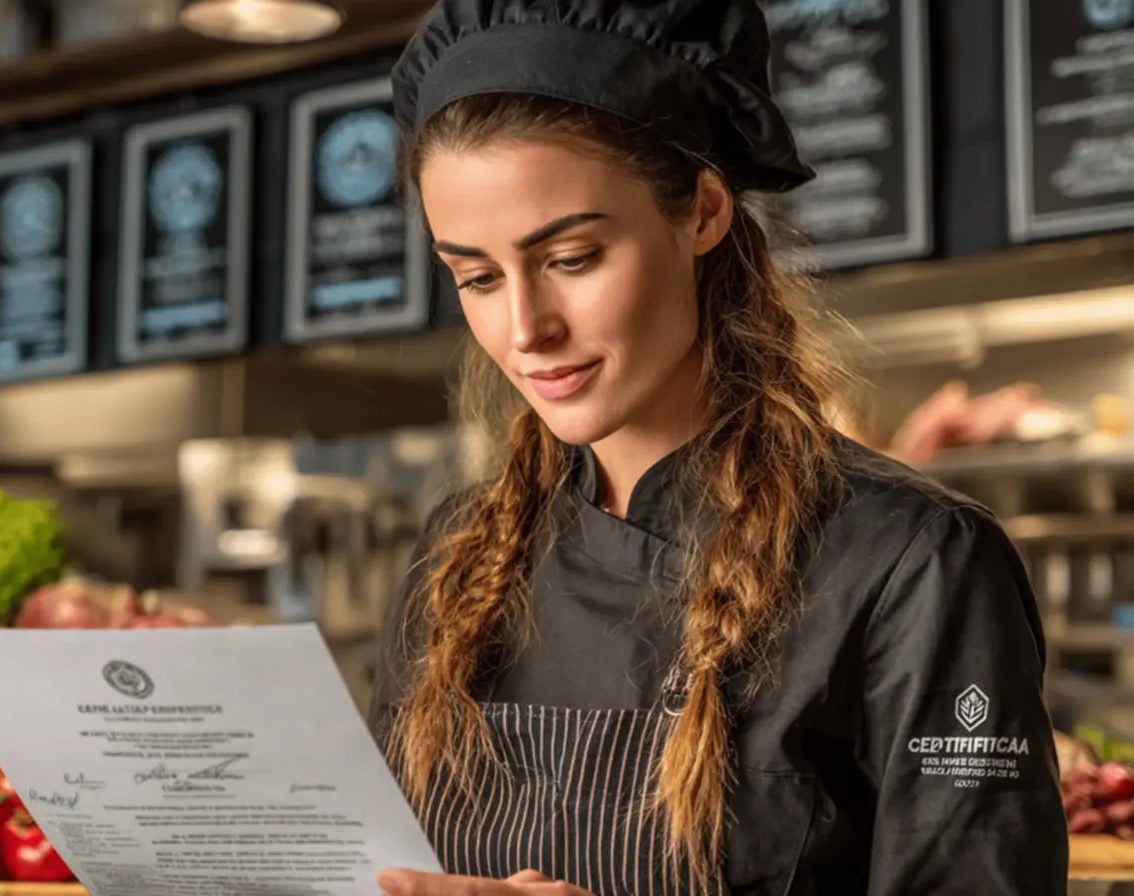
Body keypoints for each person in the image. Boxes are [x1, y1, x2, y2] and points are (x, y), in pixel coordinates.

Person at [367, 1, 1070, 894]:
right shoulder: (455, 559)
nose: (524, 329)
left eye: (573, 258)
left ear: (701, 212)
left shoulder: (910, 565)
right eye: (474, 276)